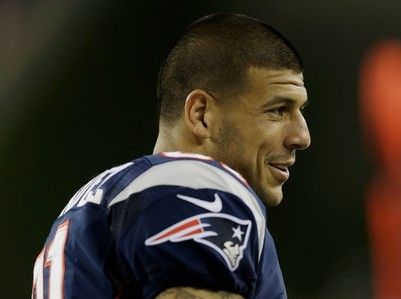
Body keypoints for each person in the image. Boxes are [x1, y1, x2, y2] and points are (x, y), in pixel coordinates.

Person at [32, 13, 310, 299]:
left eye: (301, 111)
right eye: (277, 110)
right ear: (201, 115)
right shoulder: (196, 188)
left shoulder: (100, 200)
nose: (302, 137)